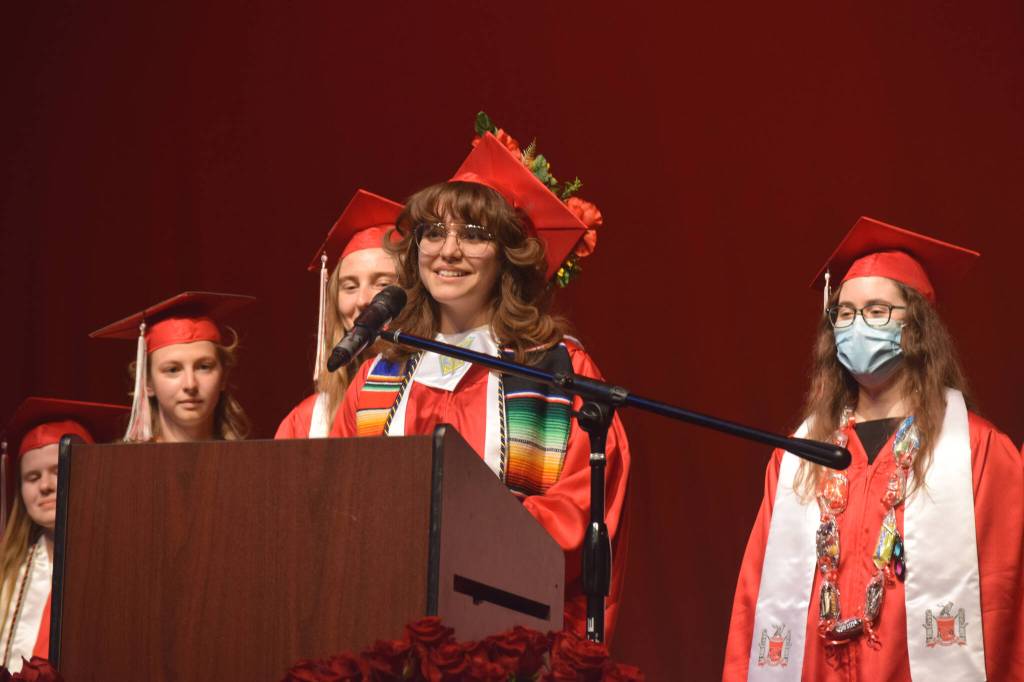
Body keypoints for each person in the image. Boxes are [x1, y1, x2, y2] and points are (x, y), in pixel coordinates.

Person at [330, 118, 630, 641]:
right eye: (434, 233)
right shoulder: (382, 374)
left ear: (509, 255)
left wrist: (455, 544)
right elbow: (334, 497)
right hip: (383, 631)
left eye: (472, 235)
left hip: (509, 634)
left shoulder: (558, 374)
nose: (448, 251)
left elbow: (579, 510)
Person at [722, 217, 1024, 681]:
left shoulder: (979, 453)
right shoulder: (797, 459)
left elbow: (1007, 598)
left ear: (916, 328)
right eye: (844, 313)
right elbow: (753, 602)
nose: (857, 325)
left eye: (878, 310)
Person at [0, 398, 128, 672]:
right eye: (32, 477)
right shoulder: (6, 569)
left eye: (58, 471)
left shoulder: (121, 566)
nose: (45, 486)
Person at [275, 189, 402, 439]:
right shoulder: (307, 422)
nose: (364, 300)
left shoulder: (435, 398)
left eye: (383, 284)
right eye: (349, 286)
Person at [89, 291, 254, 443]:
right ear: (147, 382)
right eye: (173, 370)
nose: (190, 385)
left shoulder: (248, 463)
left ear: (223, 377)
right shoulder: (123, 466)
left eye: (204, 367)